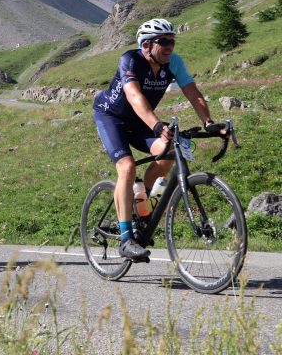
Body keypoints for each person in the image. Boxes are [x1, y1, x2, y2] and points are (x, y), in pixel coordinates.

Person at [93, 18, 223, 260]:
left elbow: (193, 93)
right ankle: (125, 239)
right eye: (163, 41)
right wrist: (156, 124)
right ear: (146, 45)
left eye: (172, 41)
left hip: (140, 122)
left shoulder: (173, 62)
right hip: (112, 117)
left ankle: (142, 209)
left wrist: (209, 122)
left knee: (169, 153)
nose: (170, 46)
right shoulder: (130, 60)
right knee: (127, 167)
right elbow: (133, 95)